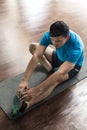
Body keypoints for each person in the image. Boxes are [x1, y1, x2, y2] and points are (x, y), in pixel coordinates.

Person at [17, 21, 84, 108]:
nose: (54, 44)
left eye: (58, 41)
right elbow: (37, 55)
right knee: (33, 46)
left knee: (54, 81)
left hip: (72, 67)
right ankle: (50, 69)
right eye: (52, 40)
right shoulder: (48, 35)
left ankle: (28, 104)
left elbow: (61, 72)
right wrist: (24, 80)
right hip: (58, 57)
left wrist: (36, 90)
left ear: (67, 37)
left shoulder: (76, 46)